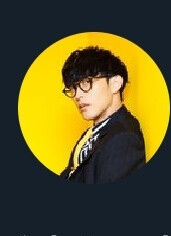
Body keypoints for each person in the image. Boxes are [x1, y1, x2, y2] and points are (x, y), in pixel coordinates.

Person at [60, 46, 146, 183]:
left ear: (115, 84)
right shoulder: (91, 134)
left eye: (86, 83)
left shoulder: (124, 139)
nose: (77, 95)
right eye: (73, 88)